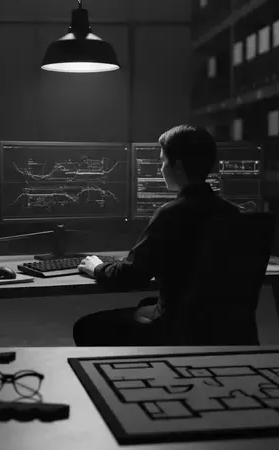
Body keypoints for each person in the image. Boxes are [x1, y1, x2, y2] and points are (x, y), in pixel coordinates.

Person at [73, 125, 240, 346]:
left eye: (162, 161)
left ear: (177, 166)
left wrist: (98, 267)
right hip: (222, 326)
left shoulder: (171, 214)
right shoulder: (233, 213)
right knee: (148, 301)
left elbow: (131, 276)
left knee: (86, 327)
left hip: (178, 327)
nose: (161, 169)